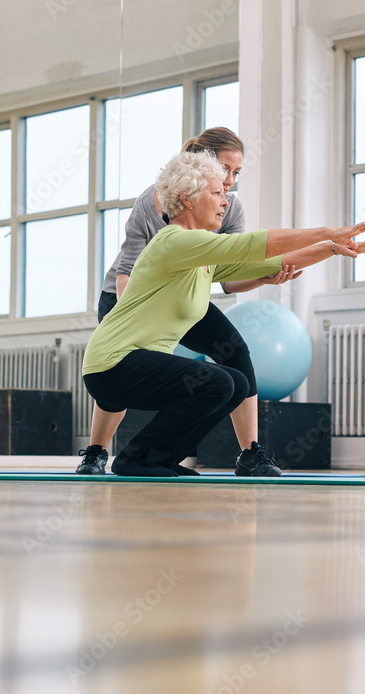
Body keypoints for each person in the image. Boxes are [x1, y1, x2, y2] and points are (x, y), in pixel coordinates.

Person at [81, 151, 365, 477]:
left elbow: (272, 262)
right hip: (113, 365)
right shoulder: (174, 242)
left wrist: (334, 248)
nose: (225, 202)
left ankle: (159, 457)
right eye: (216, 193)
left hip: (135, 367)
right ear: (187, 198)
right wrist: (327, 231)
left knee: (236, 384)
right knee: (216, 383)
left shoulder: (200, 254)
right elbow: (255, 245)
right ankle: (138, 459)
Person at [78, 128, 299, 477]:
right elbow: (127, 271)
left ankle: (250, 454)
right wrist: (138, 324)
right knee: (121, 373)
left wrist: (263, 276)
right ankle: (96, 453)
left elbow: (227, 274)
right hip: (127, 293)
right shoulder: (152, 201)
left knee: (235, 353)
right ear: (201, 165)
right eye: (224, 169)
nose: (229, 180)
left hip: (183, 295)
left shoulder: (229, 207)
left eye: (236, 173)